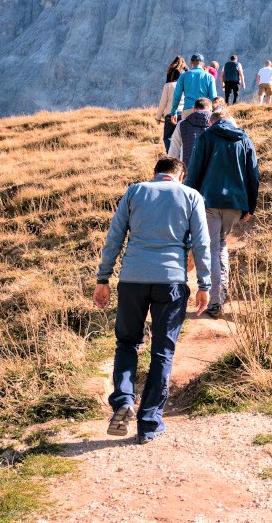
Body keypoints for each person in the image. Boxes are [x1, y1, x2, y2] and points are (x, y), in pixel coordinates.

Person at [94, 156, 210, 444]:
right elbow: (202, 242)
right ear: (180, 176)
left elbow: (115, 236)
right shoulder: (191, 196)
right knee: (162, 350)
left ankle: (122, 400)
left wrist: (103, 278)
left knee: (127, 343)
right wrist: (205, 284)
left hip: (132, 278)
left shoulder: (135, 191)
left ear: (155, 174)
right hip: (170, 281)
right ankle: (148, 423)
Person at [185, 109, 259, 318]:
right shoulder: (244, 138)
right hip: (236, 204)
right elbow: (253, 174)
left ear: (212, 121)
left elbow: (195, 170)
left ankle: (215, 301)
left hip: (210, 201)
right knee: (221, 243)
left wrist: (190, 200)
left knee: (212, 247)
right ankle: (221, 290)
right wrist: (250, 207)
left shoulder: (206, 136)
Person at [169, 54, 218, 122]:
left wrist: (174, 111)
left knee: (187, 131)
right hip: (205, 111)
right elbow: (213, 96)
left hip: (188, 110)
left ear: (191, 64)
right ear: (203, 64)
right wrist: (214, 112)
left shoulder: (184, 76)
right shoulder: (209, 77)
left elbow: (177, 95)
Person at [168, 97, 213, 161]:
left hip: (187, 167)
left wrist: (171, 168)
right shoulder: (217, 125)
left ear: (194, 109)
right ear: (211, 110)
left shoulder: (182, 124)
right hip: (210, 168)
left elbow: (174, 150)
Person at [156, 63, 184, 152]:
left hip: (170, 114)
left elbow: (163, 103)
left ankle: (171, 155)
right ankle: (181, 155)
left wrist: (158, 117)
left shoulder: (168, 85)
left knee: (167, 137)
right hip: (184, 114)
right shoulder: (185, 86)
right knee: (182, 137)